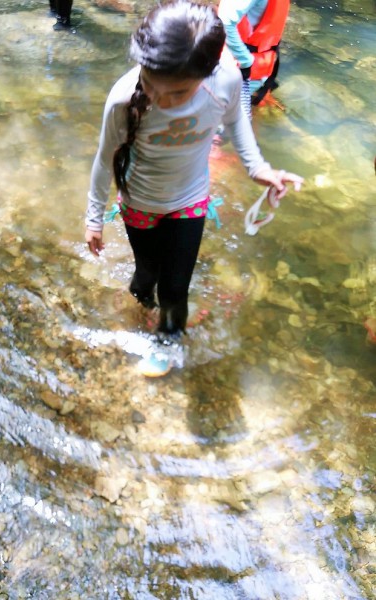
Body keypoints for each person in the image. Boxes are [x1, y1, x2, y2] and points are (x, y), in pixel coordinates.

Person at [84, 0, 302, 374]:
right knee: (144, 278)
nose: (161, 99)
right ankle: (141, 310)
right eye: (151, 86)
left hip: (189, 202)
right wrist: (93, 219)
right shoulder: (124, 98)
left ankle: (166, 343)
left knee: (175, 288)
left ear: (208, 71)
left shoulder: (227, 80)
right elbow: (105, 159)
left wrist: (259, 169)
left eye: (177, 94)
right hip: (138, 204)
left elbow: (237, 124)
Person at [218, 0, 290, 108]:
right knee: (230, 119)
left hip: (258, 70)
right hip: (240, 72)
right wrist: (244, 60)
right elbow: (225, 20)